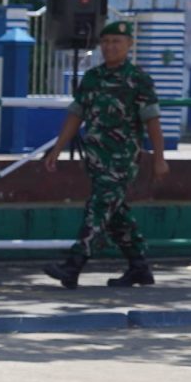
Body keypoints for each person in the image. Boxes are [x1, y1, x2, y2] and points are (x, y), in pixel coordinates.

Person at [50, 19, 167, 289]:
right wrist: (57, 149)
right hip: (95, 159)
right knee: (114, 213)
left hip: (122, 160)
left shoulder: (138, 79)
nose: (110, 47)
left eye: (116, 42)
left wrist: (160, 158)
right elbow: (76, 114)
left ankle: (73, 265)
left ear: (129, 45)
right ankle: (139, 267)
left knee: (99, 207)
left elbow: (152, 121)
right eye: (105, 42)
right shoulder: (93, 78)